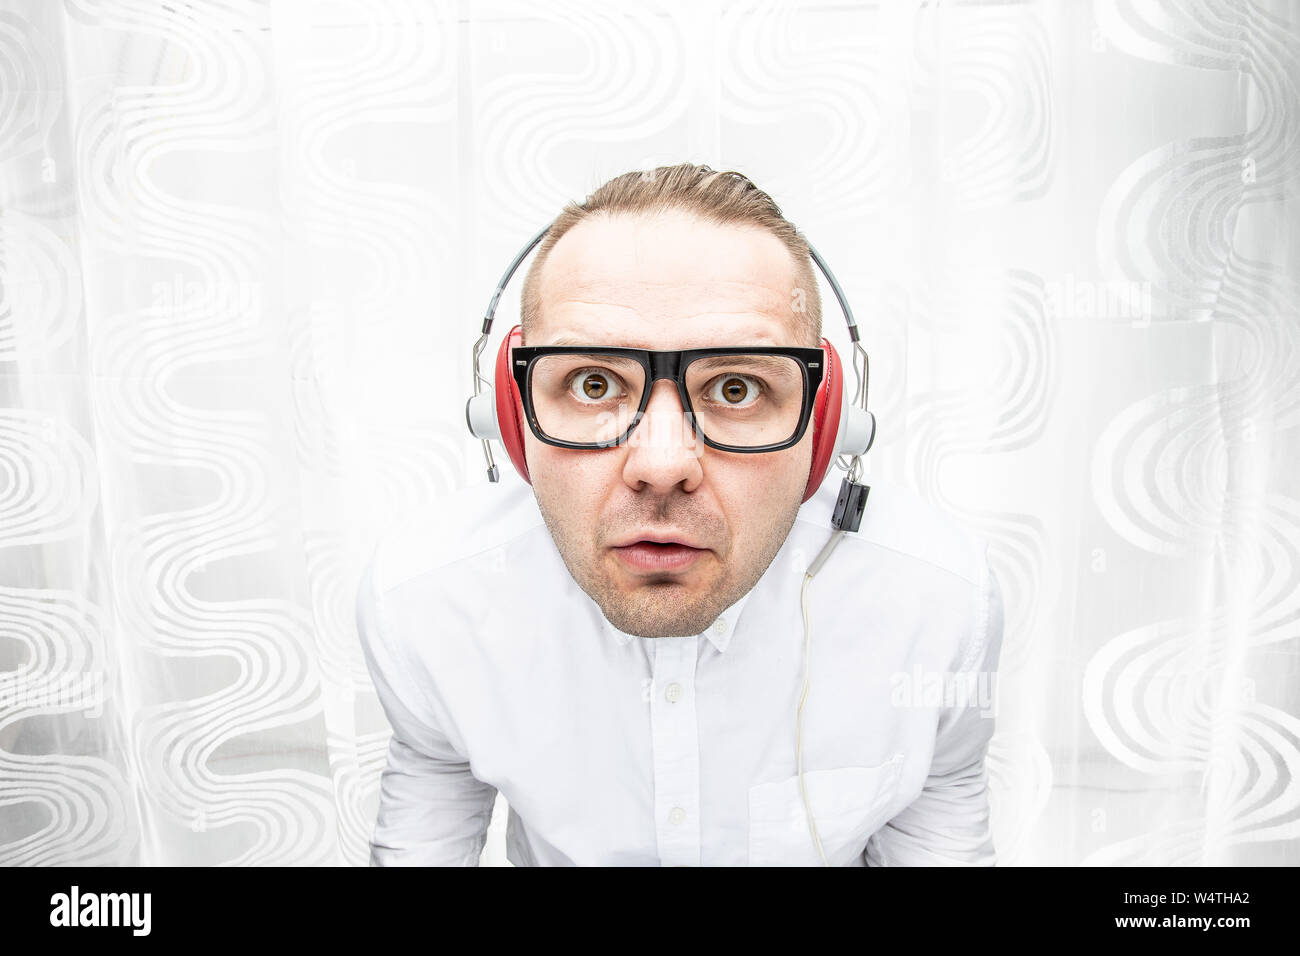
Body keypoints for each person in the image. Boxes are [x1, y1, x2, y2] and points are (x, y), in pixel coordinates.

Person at [355, 163, 1005, 866]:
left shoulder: (939, 608)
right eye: (593, 382)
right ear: (514, 422)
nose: (662, 464)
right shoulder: (428, 604)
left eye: (736, 386)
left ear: (825, 427)